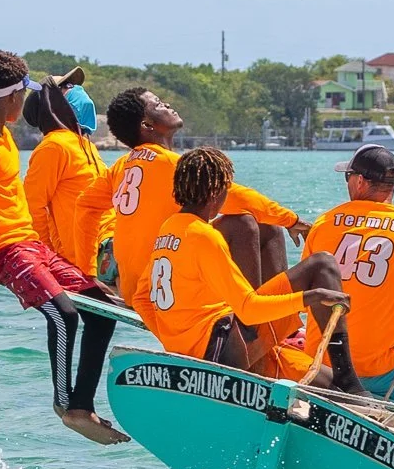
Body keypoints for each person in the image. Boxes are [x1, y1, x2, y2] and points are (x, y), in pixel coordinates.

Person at [0, 50, 126, 445]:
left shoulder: (4, 138)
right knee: (64, 315)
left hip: (27, 245)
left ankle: (83, 404)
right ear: (13, 97)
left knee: (103, 309)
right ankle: (67, 406)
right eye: (22, 95)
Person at [139, 147, 363, 391]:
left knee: (325, 382)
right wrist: (312, 297)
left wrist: (174, 341)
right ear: (216, 193)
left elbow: (141, 299)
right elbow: (248, 310)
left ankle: (297, 362)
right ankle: (349, 382)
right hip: (221, 353)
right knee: (322, 265)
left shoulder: (168, 229)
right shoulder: (203, 237)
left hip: (197, 348)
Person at [74, 88, 312, 311]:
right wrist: (291, 220)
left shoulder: (121, 166)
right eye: (158, 104)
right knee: (248, 224)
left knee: (265, 224)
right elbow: (234, 196)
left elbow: (85, 205)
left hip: (133, 287)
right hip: (163, 287)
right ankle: (255, 323)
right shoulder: (170, 164)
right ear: (147, 125)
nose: (167, 104)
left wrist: (88, 272)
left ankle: (269, 320)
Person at [302, 144, 394, 401]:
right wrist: (388, 339)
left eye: (347, 176)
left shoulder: (324, 224)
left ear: (359, 182)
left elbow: (304, 296)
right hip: (378, 369)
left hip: (320, 364)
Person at [21, 67, 111, 273]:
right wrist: (49, 258)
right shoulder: (54, 146)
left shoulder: (85, 144)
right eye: (68, 86)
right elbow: (32, 207)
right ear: (52, 102)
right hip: (91, 255)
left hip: (110, 242)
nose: (78, 90)